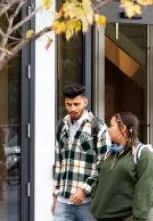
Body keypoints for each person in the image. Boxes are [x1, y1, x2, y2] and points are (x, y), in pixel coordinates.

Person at [53, 84, 110, 221]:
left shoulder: (98, 127)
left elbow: (104, 163)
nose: (72, 108)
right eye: (69, 104)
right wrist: (55, 196)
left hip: (88, 203)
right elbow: (59, 163)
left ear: (85, 102)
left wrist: (84, 190)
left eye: (76, 104)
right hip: (62, 203)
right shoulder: (61, 126)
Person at [90, 112, 153, 221]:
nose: (108, 129)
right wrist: (95, 202)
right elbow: (99, 180)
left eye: (111, 126)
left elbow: (145, 193)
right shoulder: (110, 154)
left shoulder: (144, 156)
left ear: (122, 128)